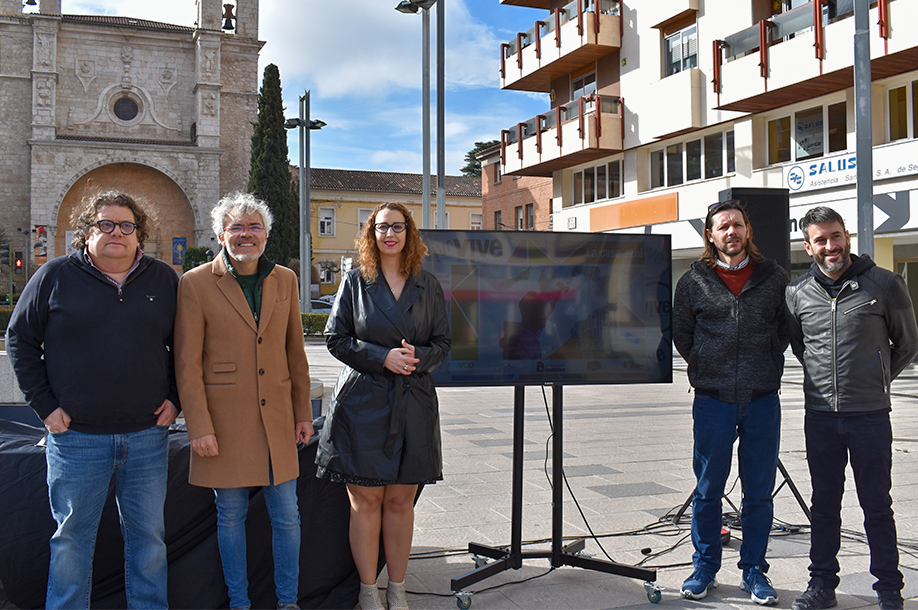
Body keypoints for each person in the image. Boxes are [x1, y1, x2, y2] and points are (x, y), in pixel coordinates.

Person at [6, 191, 179, 609]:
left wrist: (176, 399)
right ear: (86, 233)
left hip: (146, 438)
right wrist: (45, 407)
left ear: (140, 234)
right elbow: (20, 340)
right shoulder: (53, 276)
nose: (116, 233)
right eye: (105, 224)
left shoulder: (164, 280)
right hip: (76, 440)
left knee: (149, 541)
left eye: (126, 226)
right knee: (71, 541)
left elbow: (188, 347)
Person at [174, 192, 314, 610]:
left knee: (287, 516)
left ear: (267, 236)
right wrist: (199, 426)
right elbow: (187, 364)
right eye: (237, 226)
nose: (246, 234)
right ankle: (240, 603)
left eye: (254, 227)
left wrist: (304, 413)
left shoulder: (285, 279)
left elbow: (296, 353)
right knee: (230, 516)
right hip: (225, 423)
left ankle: (287, 603)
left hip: (279, 422)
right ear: (220, 234)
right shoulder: (195, 282)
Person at [316, 202, 450, 610]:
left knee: (399, 502)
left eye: (397, 226)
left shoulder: (429, 286)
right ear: (370, 235)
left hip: (412, 404)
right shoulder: (355, 282)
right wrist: (383, 357)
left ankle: (398, 586)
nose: (389, 233)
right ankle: (367, 589)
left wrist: (415, 359)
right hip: (361, 405)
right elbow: (335, 338)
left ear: (409, 233)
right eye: (381, 227)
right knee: (366, 502)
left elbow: (444, 344)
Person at [785, 206, 918, 610]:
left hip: (869, 415)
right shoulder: (796, 293)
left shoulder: (885, 284)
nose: (831, 246)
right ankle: (822, 584)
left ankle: (889, 589)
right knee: (824, 502)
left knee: (876, 503)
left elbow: (907, 344)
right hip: (821, 416)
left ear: (847, 237)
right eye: (821, 240)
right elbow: (800, 347)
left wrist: (875, 381)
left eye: (836, 236)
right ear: (808, 246)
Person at [672, 200, 789, 604]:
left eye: (737, 225)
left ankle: (754, 570)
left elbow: (784, 330)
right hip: (712, 400)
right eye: (722, 227)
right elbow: (683, 336)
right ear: (710, 235)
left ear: (748, 230)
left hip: (761, 401)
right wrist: (708, 365)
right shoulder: (693, 281)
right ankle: (704, 567)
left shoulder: (774, 277)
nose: (731, 232)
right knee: (707, 490)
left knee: (758, 492)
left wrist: (766, 361)